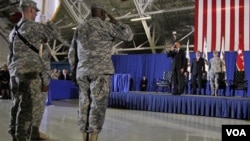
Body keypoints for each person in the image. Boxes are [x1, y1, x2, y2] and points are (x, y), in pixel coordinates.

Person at [68, 3, 133, 141]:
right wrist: (117, 22)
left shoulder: (79, 28)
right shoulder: (107, 26)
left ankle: (83, 137)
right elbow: (129, 35)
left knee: (83, 104)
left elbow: (72, 53)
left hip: (83, 72)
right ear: (103, 14)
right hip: (100, 72)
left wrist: (74, 73)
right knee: (97, 106)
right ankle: (93, 137)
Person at [8, 0, 60, 140]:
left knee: (16, 107)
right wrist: (48, 21)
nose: (37, 14)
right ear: (30, 10)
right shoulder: (33, 27)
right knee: (27, 112)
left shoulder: (14, 31)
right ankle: (22, 138)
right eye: (36, 11)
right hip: (30, 76)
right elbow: (55, 34)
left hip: (15, 75)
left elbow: (10, 56)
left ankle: (15, 135)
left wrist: (13, 72)